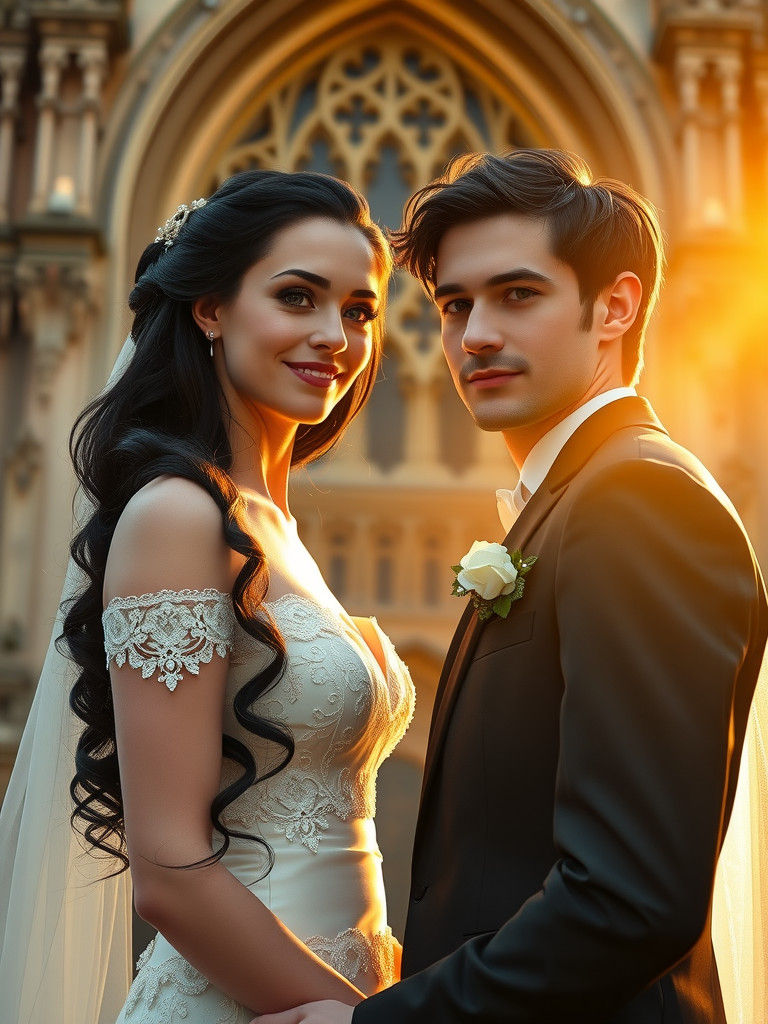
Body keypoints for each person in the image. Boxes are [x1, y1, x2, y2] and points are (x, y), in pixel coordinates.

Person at [256, 150, 768, 1024]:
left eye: (518, 295)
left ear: (615, 306)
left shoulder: (639, 502)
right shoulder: (578, 501)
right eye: (455, 306)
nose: (474, 336)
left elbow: (630, 898)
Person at [0, 169, 415, 1023]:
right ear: (210, 309)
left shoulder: (273, 525)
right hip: (247, 1005)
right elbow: (169, 871)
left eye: (359, 309)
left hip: (331, 1001)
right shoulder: (177, 514)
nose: (334, 333)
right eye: (297, 297)